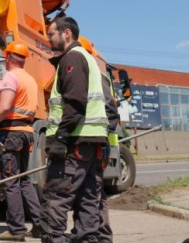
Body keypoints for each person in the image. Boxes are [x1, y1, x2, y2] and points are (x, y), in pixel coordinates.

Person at [41, 17, 109, 243]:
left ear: (66, 33)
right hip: (90, 144)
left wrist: (61, 138)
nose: (48, 38)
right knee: (89, 201)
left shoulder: (73, 57)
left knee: (56, 200)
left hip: (73, 143)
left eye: (51, 34)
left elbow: (75, 102)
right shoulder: (89, 60)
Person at [0, 40, 43, 242]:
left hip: (11, 134)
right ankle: (39, 225)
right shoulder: (30, 79)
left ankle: (16, 230)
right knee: (24, 180)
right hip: (26, 132)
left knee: (11, 182)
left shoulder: (10, 77)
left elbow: (6, 106)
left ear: (8, 57)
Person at [68, 36, 118, 243]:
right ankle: (94, 234)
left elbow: (110, 110)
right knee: (91, 191)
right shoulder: (93, 74)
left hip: (96, 142)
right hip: (98, 141)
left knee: (92, 192)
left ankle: (98, 235)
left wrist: (100, 136)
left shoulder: (94, 76)